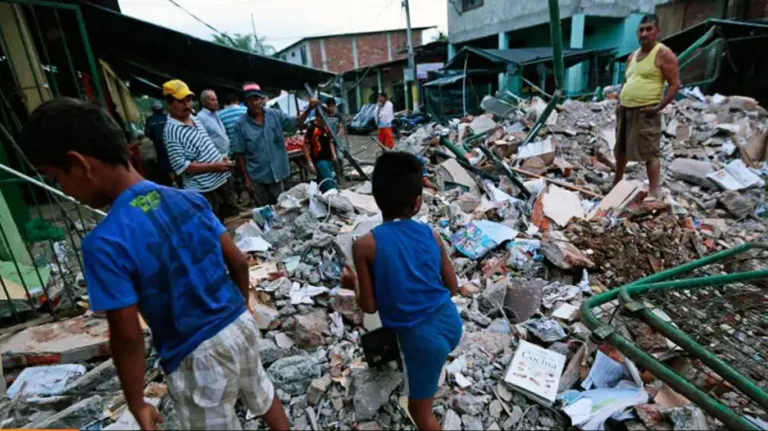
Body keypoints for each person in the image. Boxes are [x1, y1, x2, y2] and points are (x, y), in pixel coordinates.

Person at [19, 98, 290, 431]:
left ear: (79, 164)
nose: (64, 189)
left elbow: (127, 335)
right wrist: (240, 306)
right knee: (262, 393)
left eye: (57, 178)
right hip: (238, 322)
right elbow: (237, 260)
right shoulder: (189, 199)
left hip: (194, 352)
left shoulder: (104, 243)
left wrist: (136, 402)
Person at [340, 151, 462, 431]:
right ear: (417, 202)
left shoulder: (365, 245)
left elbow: (369, 307)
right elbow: (453, 287)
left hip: (422, 341)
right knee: (420, 358)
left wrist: (353, 284)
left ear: (376, 197)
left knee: (422, 415)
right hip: (451, 323)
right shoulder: (431, 234)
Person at [614, 14, 680, 199]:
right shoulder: (632, 56)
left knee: (650, 151)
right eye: (641, 29)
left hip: (646, 110)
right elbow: (627, 81)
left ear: (657, 31)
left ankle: (653, 190)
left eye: (649, 29)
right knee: (621, 150)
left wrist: (658, 107)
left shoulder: (663, 54)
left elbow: (675, 84)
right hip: (625, 109)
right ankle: (616, 183)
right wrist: (620, 100)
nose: (644, 33)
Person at [162, 79, 240, 221]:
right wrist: (215, 166)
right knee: (214, 228)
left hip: (221, 181)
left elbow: (206, 144)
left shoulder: (193, 117)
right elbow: (181, 167)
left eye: (189, 100)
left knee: (230, 220)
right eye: (181, 101)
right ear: (169, 103)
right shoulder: (172, 131)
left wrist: (220, 159)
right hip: (204, 190)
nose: (187, 105)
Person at [232, 82, 316, 205]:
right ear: (245, 103)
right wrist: (246, 179)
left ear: (262, 100)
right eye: (250, 100)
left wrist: (309, 109)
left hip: (280, 173)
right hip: (257, 177)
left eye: (257, 99)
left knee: (284, 207)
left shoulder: (275, 115)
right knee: (266, 211)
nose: (254, 103)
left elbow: (295, 123)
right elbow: (240, 154)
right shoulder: (240, 124)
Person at [303, 112, 338, 192]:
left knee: (323, 181)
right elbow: (305, 146)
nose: (326, 119)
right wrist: (310, 163)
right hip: (319, 159)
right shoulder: (312, 129)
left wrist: (333, 154)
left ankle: (322, 198)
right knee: (329, 181)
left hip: (328, 158)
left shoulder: (326, 127)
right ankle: (332, 196)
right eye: (324, 117)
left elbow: (330, 141)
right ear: (318, 117)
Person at [142, 99, 174, 187]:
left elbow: (147, 134)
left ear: (152, 109)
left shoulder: (150, 120)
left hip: (160, 148)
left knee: (166, 167)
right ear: (162, 108)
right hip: (172, 145)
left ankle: (173, 184)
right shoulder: (168, 117)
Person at [197, 89, 230, 156]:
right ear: (204, 102)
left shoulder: (216, 114)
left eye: (216, 99)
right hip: (214, 157)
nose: (216, 102)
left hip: (225, 154)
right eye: (212, 100)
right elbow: (201, 141)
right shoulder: (200, 117)